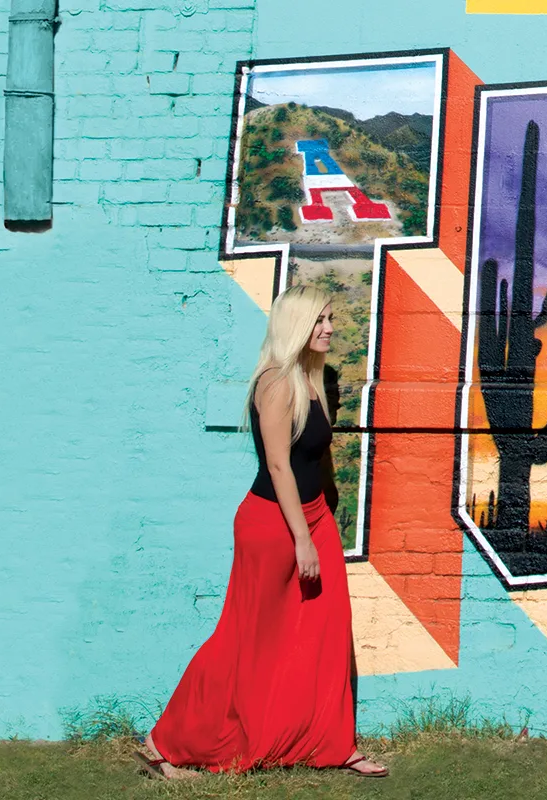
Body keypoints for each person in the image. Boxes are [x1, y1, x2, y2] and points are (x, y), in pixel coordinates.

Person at [134, 286, 387, 780]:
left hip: (313, 517)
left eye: (330, 318)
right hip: (274, 525)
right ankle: (164, 741)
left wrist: (323, 518)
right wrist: (302, 539)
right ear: (295, 325)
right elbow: (278, 463)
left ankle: (333, 744)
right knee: (245, 636)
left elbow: (315, 457)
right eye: (320, 320)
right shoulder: (275, 382)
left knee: (325, 633)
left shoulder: (313, 379)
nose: (330, 328)